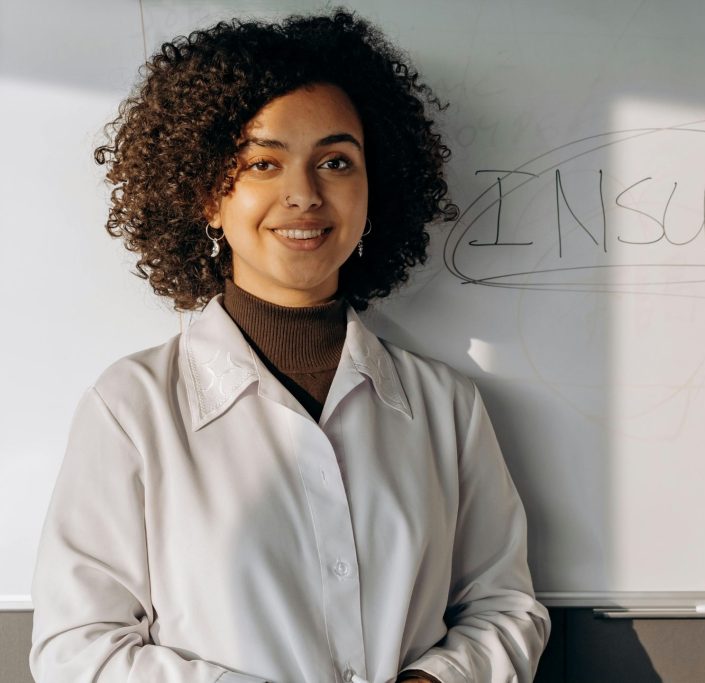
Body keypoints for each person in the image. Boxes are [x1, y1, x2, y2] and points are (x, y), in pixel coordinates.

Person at [29, 9, 549, 683]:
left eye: (335, 162)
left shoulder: (445, 405)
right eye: (263, 163)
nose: (303, 194)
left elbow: (506, 607)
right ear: (208, 196)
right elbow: (77, 645)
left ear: (373, 189)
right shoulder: (130, 408)